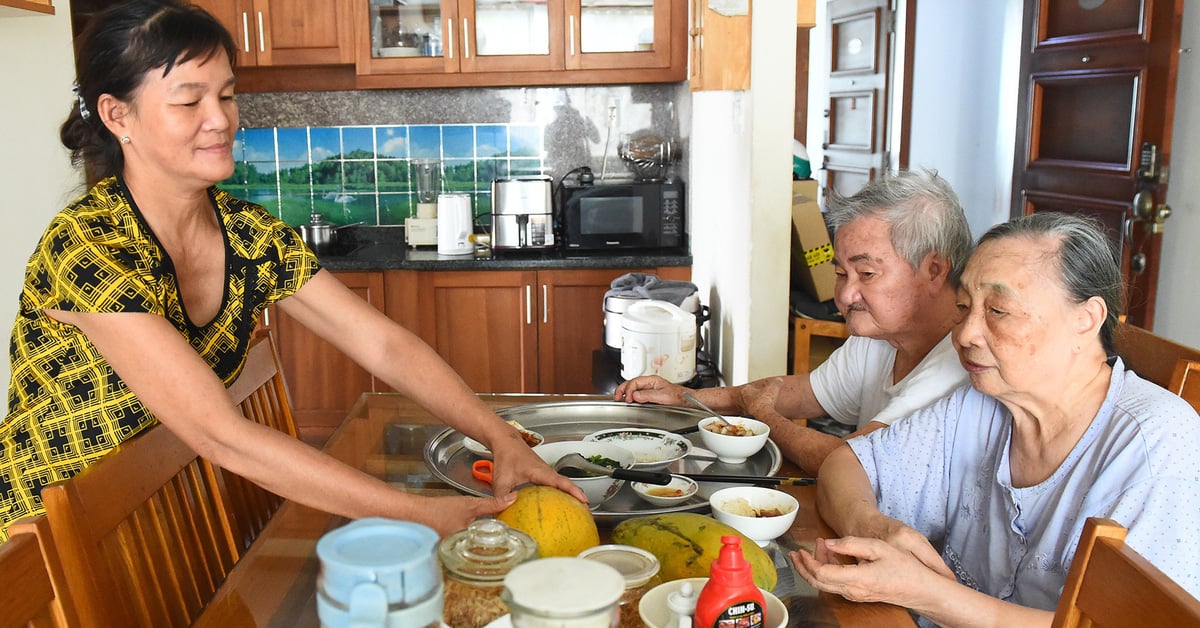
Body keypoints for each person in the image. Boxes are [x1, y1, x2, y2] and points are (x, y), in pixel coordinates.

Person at [0, 0, 582, 542]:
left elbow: (382, 345)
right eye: (188, 101)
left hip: (162, 513)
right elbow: (221, 434)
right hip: (50, 544)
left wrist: (499, 436)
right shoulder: (86, 248)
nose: (220, 120)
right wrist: (421, 513)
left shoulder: (247, 233)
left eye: (226, 96)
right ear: (116, 114)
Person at [791, 212, 1200, 626]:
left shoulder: (1156, 444)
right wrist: (873, 526)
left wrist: (928, 593)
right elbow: (847, 464)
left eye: (999, 310)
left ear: (1086, 319)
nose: (966, 334)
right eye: (964, 307)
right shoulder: (982, 404)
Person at [614, 170, 973, 474]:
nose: (846, 296)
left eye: (866, 273)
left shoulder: (959, 366)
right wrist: (686, 397)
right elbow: (800, 393)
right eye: (840, 273)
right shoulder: (882, 336)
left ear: (934, 270)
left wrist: (763, 417)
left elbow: (847, 463)